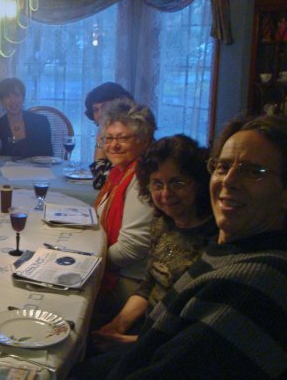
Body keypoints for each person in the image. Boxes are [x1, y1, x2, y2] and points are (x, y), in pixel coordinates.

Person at [48, 115, 287, 380]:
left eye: (253, 171)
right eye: (223, 166)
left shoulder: (254, 284)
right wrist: (81, 377)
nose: (229, 181)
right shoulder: (227, 252)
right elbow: (155, 346)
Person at [92, 135, 217, 347]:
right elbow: (149, 284)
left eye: (177, 183)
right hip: (147, 328)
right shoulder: (162, 223)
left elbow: (196, 330)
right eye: (157, 184)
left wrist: (130, 342)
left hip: (170, 345)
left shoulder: (214, 240)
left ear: (198, 183)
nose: (166, 193)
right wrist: (119, 324)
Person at [93, 101, 155, 326]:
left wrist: (91, 262)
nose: (113, 145)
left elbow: (132, 247)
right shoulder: (119, 172)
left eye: (123, 138)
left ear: (144, 141)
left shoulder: (141, 178)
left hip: (128, 282)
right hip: (117, 271)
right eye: (109, 138)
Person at [0, 78, 53, 158]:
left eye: (17, 95)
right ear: (1, 101)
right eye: (8, 97)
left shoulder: (41, 122)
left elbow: (48, 156)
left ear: (23, 98)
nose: (13, 100)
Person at [84, 82, 134, 189]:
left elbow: (100, 182)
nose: (100, 114)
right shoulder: (109, 135)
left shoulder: (129, 137)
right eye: (96, 110)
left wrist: (100, 139)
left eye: (105, 107)